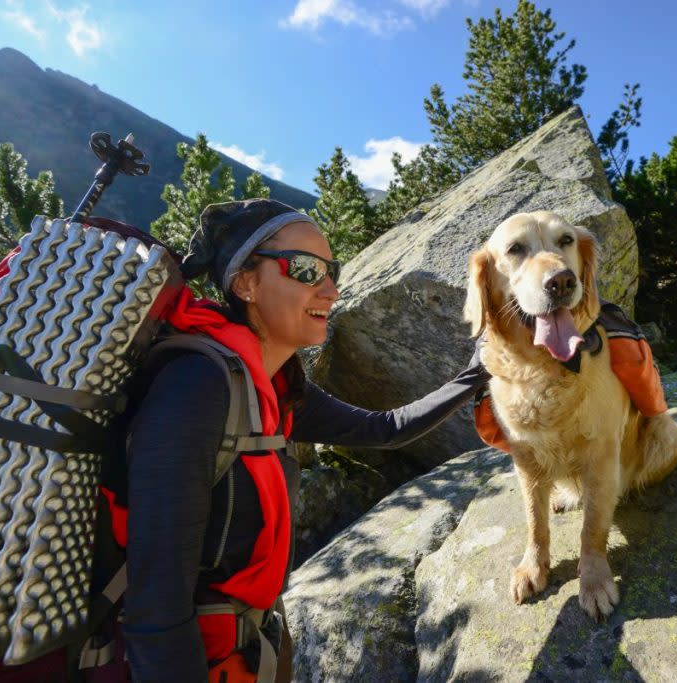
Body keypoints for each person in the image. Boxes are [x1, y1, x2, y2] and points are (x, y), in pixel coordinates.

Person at [102, 199, 490, 683]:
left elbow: (385, 428)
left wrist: (476, 373)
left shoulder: (275, 385)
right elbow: (157, 605)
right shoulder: (196, 387)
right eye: (306, 269)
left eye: (332, 270)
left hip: (257, 643)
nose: (331, 289)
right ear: (245, 283)